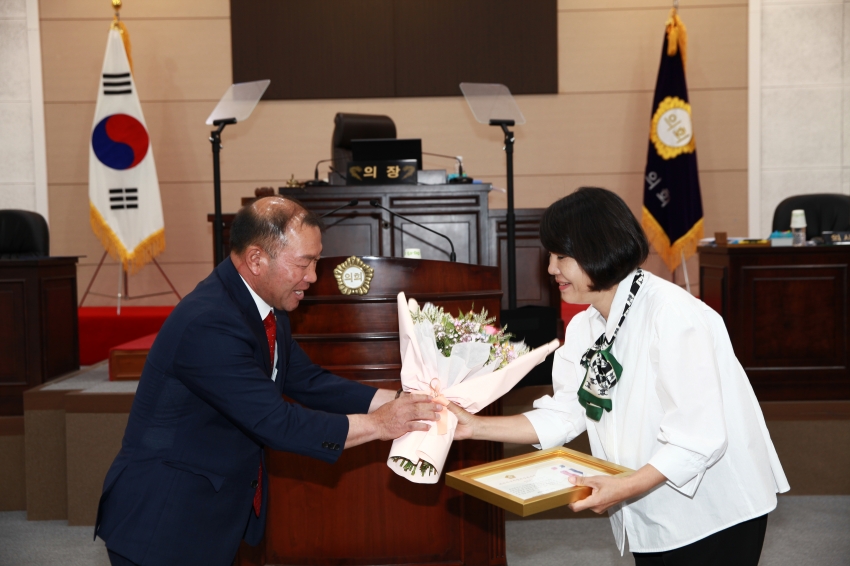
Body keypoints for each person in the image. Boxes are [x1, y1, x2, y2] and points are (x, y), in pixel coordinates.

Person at [448, 187, 789, 565]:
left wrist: (622, 487)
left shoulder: (673, 315)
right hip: (645, 502)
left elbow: (699, 439)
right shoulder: (584, 326)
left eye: (562, 256)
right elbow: (565, 414)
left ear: (600, 249)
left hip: (713, 510)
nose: (550, 269)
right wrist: (472, 427)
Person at [95, 197, 441, 566]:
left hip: (211, 510)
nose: (313, 276)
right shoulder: (209, 321)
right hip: (165, 518)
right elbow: (275, 422)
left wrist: (404, 399)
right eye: (304, 263)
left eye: (316, 262)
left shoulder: (267, 303)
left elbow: (308, 381)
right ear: (257, 260)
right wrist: (380, 424)